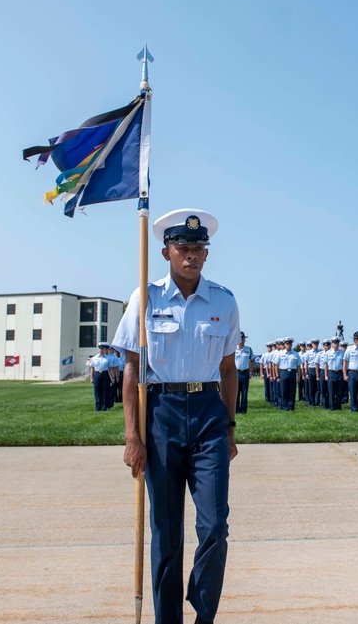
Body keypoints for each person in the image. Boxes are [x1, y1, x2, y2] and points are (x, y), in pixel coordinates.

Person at [115, 208, 239, 624]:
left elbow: (227, 370)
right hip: (161, 413)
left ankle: (204, 612)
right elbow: (132, 370)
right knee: (166, 534)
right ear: (166, 251)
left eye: (199, 248)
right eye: (183, 247)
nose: (192, 255)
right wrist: (133, 436)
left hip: (208, 414)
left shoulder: (223, 300)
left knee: (215, 526)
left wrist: (231, 428)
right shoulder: (144, 298)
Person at [275, 338, 300, 411]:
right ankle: (284, 406)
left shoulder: (295, 354)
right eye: (287, 344)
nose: (288, 345)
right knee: (284, 390)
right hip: (283, 372)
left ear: (292, 344)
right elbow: (276, 365)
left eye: (290, 344)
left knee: (292, 390)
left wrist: (298, 377)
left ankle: (291, 406)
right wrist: (277, 376)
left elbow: (298, 366)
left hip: (292, 372)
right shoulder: (280, 354)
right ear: (284, 345)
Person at [88, 343, 112, 412]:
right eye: (100, 349)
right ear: (98, 350)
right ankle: (98, 406)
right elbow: (92, 368)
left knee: (105, 391)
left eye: (102, 349)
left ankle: (104, 406)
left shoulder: (107, 358)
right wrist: (91, 378)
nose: (101, 350)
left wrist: (112, 378)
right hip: (97, 374)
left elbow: (110, 368)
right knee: (97, 391)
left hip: (105, 374)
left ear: (104, 350)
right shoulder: (94, 358)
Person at [234, 333, 252, 414]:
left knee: (244, 392)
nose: (241, 341)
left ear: (244, 340)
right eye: (239, 339)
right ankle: (236, 409)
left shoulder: (248, 349)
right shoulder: (233, 349)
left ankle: (244, 410)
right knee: (236, 392)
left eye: (242, 339)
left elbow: (252, 361)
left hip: (245, 372)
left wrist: (250, 372)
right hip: (236, 373)